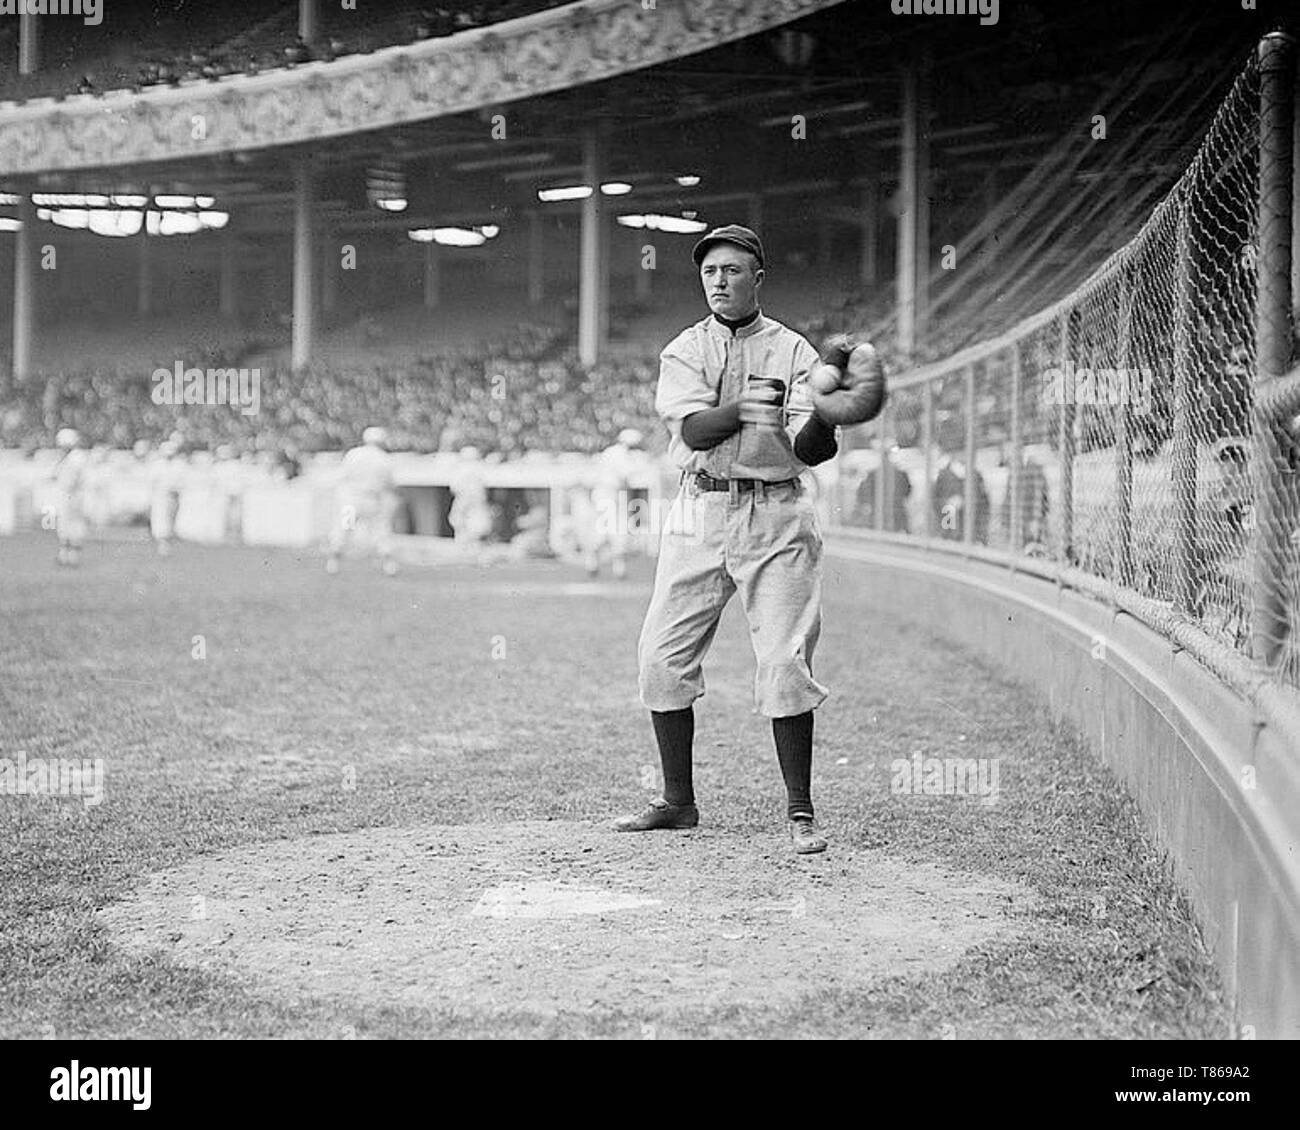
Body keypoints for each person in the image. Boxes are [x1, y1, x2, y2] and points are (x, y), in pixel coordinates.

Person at [612, 224, 841, 855]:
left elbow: (811, 449)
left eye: (734, 270)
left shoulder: (794, 351)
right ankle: (677, 802)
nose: (720, 280)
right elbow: (696, 429)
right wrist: (746, 405)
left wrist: (825, 409)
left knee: (785, 661)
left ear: (757, 279)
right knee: (660, 656)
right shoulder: (685, 349)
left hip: (777, 512)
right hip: (701, 508)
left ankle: (800, 812)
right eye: (711, 271)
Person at [326, 426, 400, 575]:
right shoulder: (385, 458)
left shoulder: (354, 454)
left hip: (351, 499)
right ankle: (389, 565)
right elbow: (391, 484)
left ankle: (333, 563)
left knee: (343, 530)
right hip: (372, 500)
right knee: (381, 531)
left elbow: (342, 476)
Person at [52, 428, 89, 567]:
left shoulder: (75, 458)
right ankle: (65, 555)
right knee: (67, 524)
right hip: (71, 494)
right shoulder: (72, 457)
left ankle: (72, 556)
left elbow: (70, 480)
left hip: (72, 495)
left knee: (70, 524)